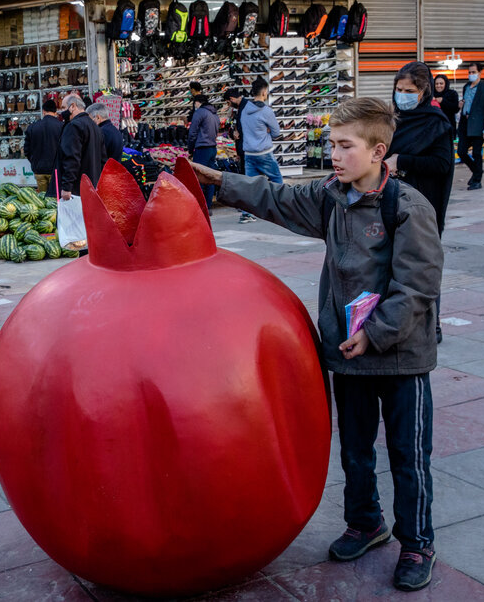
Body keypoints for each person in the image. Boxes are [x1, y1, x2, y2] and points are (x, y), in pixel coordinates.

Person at [190, 98, 443, 592]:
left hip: (399, 358)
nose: (335, 154)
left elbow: (417, 286)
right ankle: (366, 523)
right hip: (347, 355)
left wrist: (374, 333)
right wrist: (220, 181)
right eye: (331, 144)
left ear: (377, 151)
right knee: (354, 452)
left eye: (345, 146)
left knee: (408, 457)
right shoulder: (331, 196)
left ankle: (417, 543)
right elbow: (279, 199)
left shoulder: (407, 207)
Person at [385, 62, 453, 344]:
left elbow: (442, 164)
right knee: (393, 267)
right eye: (399, 89)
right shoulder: (394, 119)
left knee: (422, 267)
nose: (402, 95)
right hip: (391, 204)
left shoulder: (436, 123)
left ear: (424, 91)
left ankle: (430, 325)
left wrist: (401, 161)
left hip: (423, 205)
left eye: (409, 90)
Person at [238, 78, 283, 222]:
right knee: (276, 179)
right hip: (264, 152)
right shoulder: (266, 111)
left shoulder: (244, 110)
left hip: (249, 153)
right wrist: (267, 131)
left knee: (251, 184)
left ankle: (247, 213)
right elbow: (276, 133)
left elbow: (244, 129)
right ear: (264, 92)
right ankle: (283, 207)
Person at [56, 93, 105, 199]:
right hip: (92, 186)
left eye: (64, 107)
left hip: (77, 189)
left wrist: (67, 187)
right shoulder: (95, 127)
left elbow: (72, 158)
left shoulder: (73, 126)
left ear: (73, 106)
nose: (62, 111)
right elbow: (103, 159)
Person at [457, 62, 484, 190]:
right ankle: (477, 171)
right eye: (469, 72)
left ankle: (477, 181)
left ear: (480, 73)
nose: (471, 74)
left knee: (476, 153)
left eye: (473, 72)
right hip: (465, 124)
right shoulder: (466, 87)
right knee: (461, 151)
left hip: (479, 126)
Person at [188, 94, 221, 211]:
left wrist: (190, 149)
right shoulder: (214, 113)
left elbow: (192, 132)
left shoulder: (200, 112)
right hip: (213, 147)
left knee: (199, 178)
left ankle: (200, 207)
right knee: (211, 178)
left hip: (202, 148)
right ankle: (208, 206)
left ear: (197, 102)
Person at [23, 99, 63, 193]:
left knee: (42, 200)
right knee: (54, 199)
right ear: (55, 112)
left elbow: (26, 150)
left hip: (39, 170)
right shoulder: (62, 126)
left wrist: (34, 161)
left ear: (43, 111)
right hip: (56, 171)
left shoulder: (33, 127)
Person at [432, 75, 460, 140]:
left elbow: (455, 108)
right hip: (434, 129)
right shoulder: (431, 94)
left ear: (446, 83)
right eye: (436, 83)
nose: (438, 86)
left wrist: (443, 101)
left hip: (448, 127)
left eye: (441, 83)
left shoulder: (452, 93)